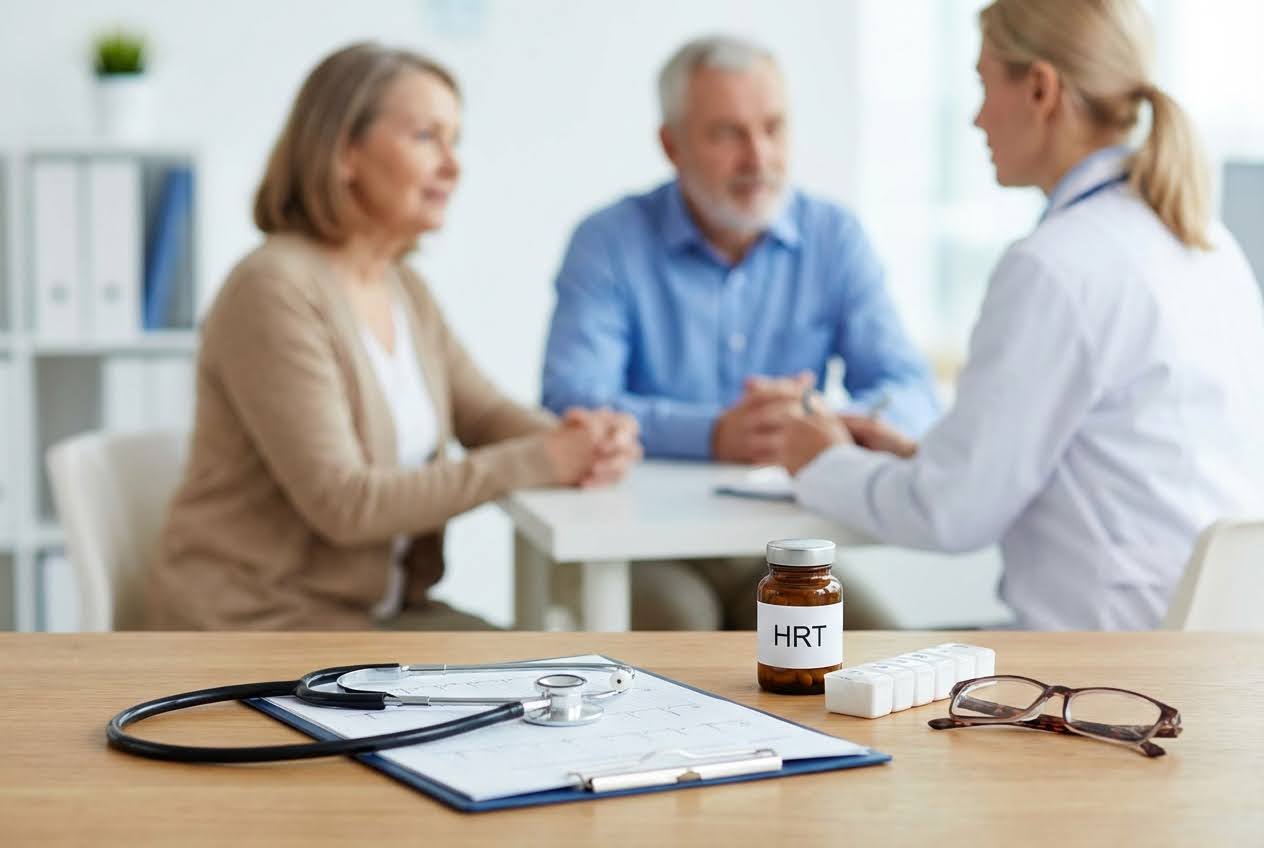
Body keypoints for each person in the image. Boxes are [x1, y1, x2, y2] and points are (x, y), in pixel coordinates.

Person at [779, 0, 1264, 630]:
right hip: (1218, 660)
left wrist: (818, 461)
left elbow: (950, 514)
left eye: (984, 84)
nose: (977, 117)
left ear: (1040, 88)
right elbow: (1111, 460)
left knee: (817, 668)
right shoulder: (1205, 241)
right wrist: (920, 455)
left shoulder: (1057, 265)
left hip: (1105, 667)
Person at [146, 43, 640, 630]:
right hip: (260, 622)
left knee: (548, 676)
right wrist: (540, 459)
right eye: (426, 137)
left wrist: (583, 439)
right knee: (535, 685)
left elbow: (483, 414)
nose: (453, 166)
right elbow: (345, 504)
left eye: (454, 140)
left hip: (377, 616)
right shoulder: (272, 289)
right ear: (343, 152)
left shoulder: (402, 287)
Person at [538, 35, 941, 630]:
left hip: (784, 544)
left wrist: (830, 424)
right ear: (671, 145)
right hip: (639, 541)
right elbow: (572, 398)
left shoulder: (834, 237)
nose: (758, 157)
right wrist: (715, 434)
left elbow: (907, 386)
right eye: (727, 133)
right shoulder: (609, 241)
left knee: (881, 652)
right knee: (682, 629)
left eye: (773, 127)